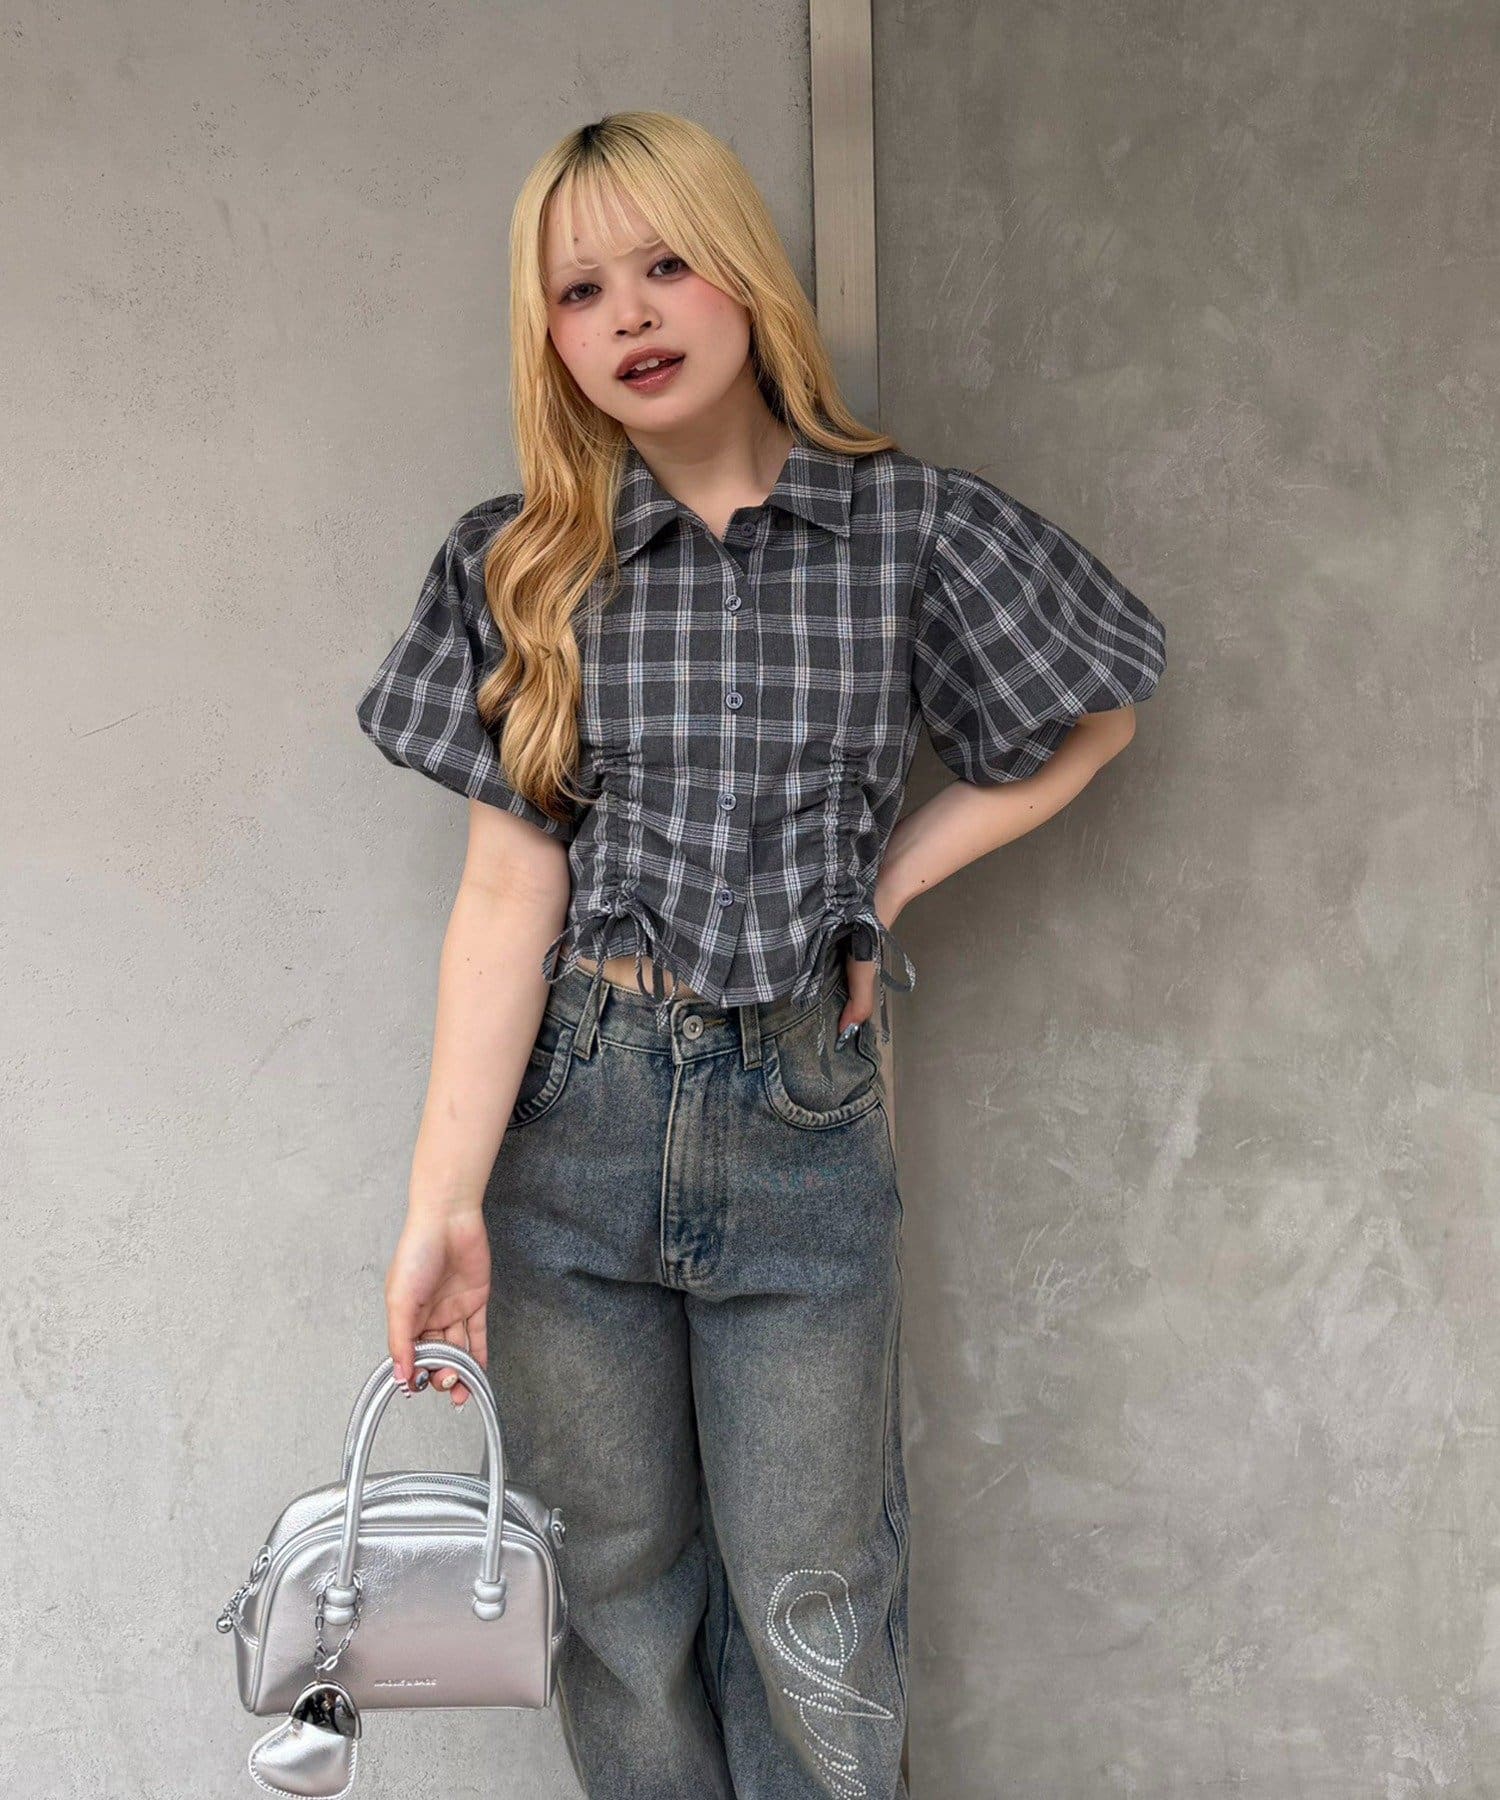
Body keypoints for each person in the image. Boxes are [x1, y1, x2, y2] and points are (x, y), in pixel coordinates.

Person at [354, 110, 1166, 1800]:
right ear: (548, 334)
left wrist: (892, 874)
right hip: (574, 1121)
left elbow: (1095, 712)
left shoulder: (911, 528)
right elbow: (507, 898)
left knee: (815, 1597)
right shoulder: (528, 562)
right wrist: (442, 1205)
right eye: (582, 290)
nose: (632, 315)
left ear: (745, 276)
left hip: (804, 1115)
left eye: (667, 263)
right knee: (613, 1598)